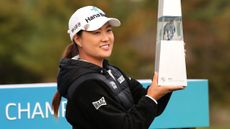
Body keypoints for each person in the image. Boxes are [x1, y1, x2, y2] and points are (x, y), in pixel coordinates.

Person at [52, 6, 184, 129]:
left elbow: (149, 105)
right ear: (78, 39)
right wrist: (152, 97)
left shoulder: (112, 71)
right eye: (96, 32)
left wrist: (168, 67)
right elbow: (126, 125)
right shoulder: (85, 85)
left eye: (108, 30)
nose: (106, 38)